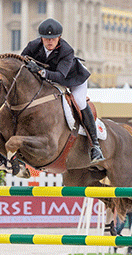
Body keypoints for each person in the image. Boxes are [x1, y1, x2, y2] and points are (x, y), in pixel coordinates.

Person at [21, 18, 104, 164]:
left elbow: (60, 76)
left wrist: (40, 71)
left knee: (79, 101)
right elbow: (21, 61)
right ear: (41, 38)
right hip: (50, 80)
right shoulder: (33, 46)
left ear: (59, 37)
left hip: (74, 79)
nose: (50, 42)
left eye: (53, 39)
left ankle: (95, 146)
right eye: (46, 39)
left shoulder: (66, 50)